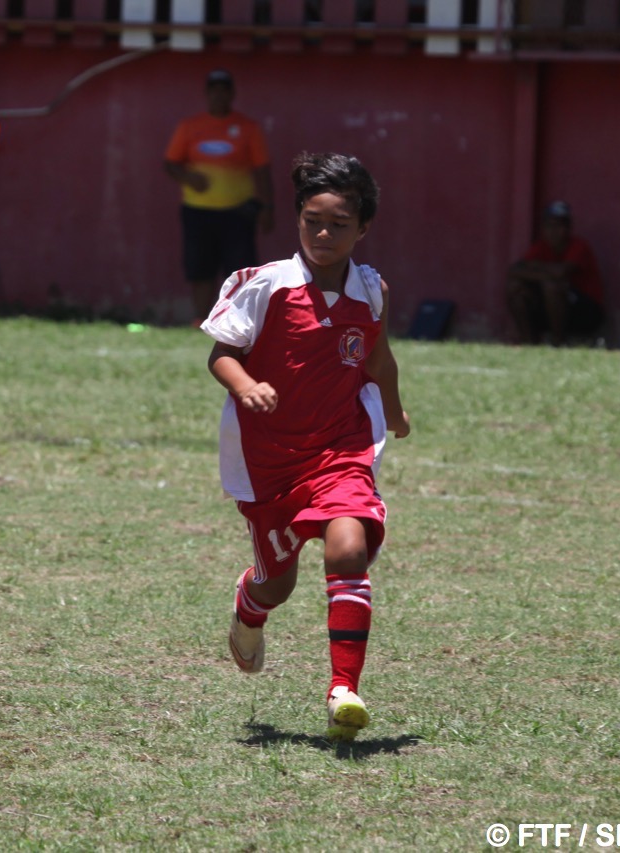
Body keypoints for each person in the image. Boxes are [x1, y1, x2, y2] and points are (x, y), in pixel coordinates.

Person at [201, 152, 410, 742]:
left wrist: (392, 410)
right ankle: (249, 606)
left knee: (349, 547)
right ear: (297, 220)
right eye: (312, 221)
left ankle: (344, 689)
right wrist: (246, 386)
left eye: (338, 224)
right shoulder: (263, 284)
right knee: (278, 584)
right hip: (269, 461)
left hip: (340, 448)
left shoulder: (372, 291)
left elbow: (376, 358)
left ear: (362, 228)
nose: (323, 233)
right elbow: (221, 355)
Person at [165, 69, 274, 324]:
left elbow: (262, 170)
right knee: (200, 267)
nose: (219, 95)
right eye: (214, 90)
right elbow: (170, 164)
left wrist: (268, 206)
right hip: (197, 210)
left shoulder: (248, 128)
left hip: (238, 211)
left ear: (232, 94)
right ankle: (200, 319)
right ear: (206, 94)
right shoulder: (189, 127)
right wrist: (189, 178)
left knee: (240, 269)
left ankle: (239, 321)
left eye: (224, 90)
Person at [505, 201, 606, 346]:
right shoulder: (541, 247)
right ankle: (529, 343)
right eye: (549, 226)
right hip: (551, 310)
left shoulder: (579, 246)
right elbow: (514, 271)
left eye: (559, 226)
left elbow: (561, 273)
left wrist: (537, 267)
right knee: (516, 287)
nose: (554, 231)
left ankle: (559, 342)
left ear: (569, 228)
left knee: (551, 286)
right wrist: (547, 274)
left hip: (585, 313)